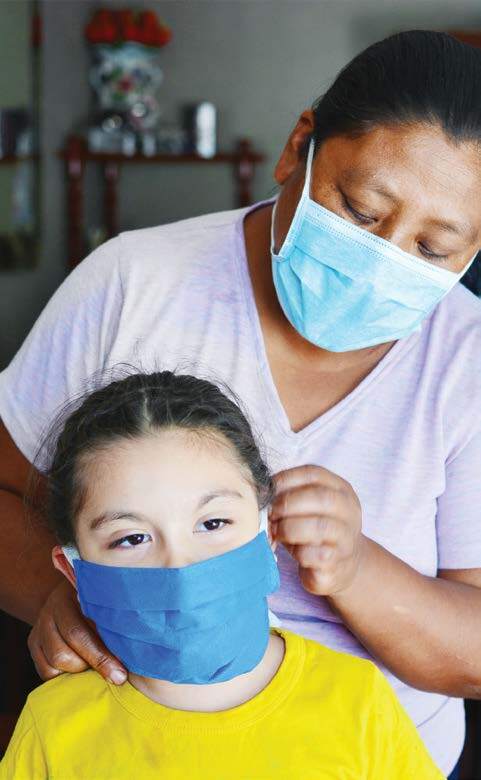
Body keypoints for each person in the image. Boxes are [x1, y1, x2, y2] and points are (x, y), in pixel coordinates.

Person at [0, 29, 480, 779]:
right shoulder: (134, 284)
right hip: (132, 743)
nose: (383, 259)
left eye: (434, 249)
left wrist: (354, 568)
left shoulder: (466, 363)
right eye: (360, 211)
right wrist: (59, 601)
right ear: (298, 148)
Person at [0, 369, 443, 779]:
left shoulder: (357, 700)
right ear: (74, 571)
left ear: (269, 530)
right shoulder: (52, 728)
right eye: (131, 539)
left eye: (212, 524)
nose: (181, 565)